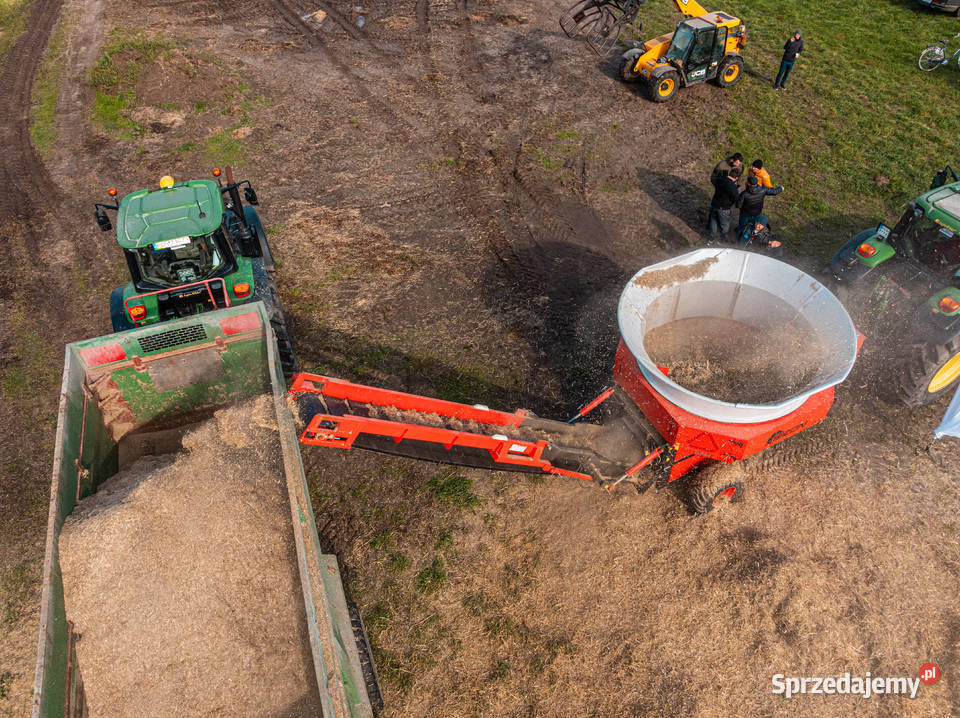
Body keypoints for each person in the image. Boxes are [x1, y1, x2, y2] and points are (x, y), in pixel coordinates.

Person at [707, 166, 742, 242]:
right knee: (725, 225)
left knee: (713, 222)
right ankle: (722, 239)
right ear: (737, 178)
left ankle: (711, 238)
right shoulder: (732, 186)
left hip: (714, 204)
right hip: (724, 208)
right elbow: (736, 198)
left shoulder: (720, 180)